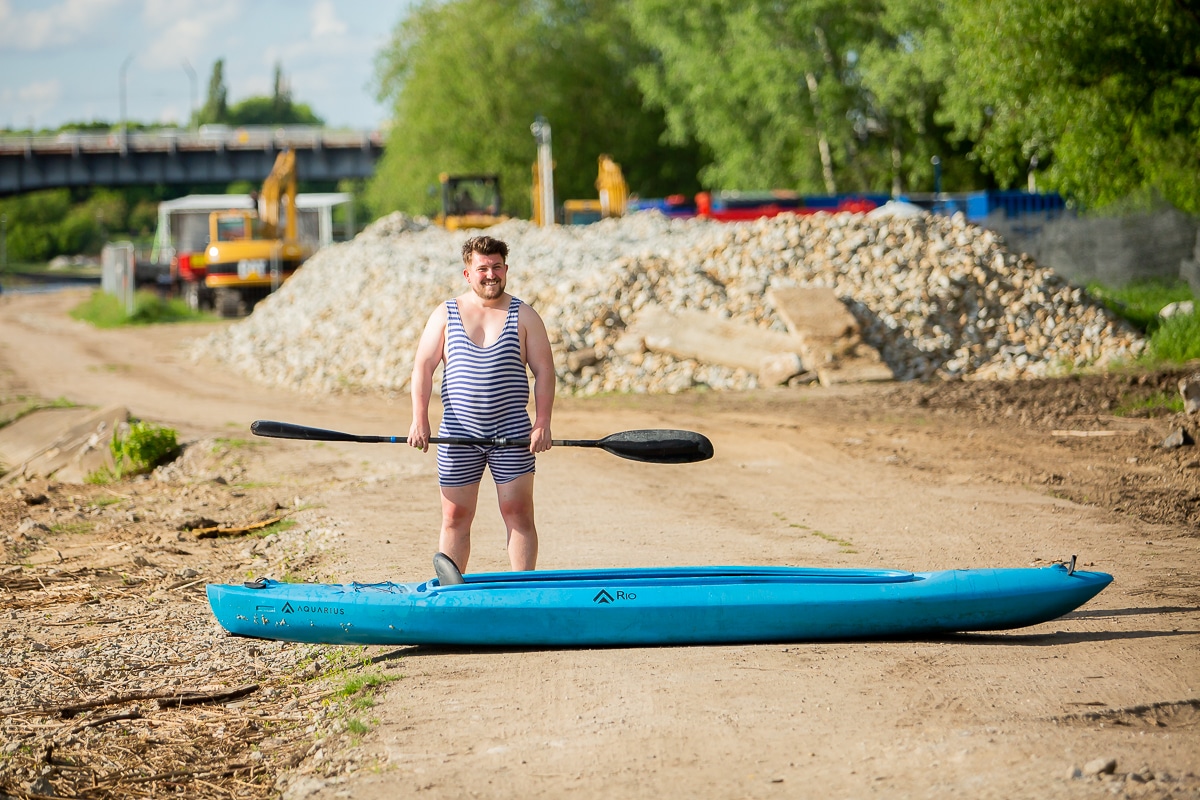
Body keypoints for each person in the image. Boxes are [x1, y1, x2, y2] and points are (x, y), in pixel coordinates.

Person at [408, 235, 555, 574]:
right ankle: (452, 591)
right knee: (454, 516)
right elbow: (423, 368)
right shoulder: (445, 313)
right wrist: (419, 419)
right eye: (483, 268)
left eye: (497, 267)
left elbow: (545, 371)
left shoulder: (525, 315)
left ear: (506, 269)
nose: (491, 275)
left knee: (518, 513)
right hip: (458, 434)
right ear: (467, 273)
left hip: (512, 433)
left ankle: (522, 590)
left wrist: (542, 422)